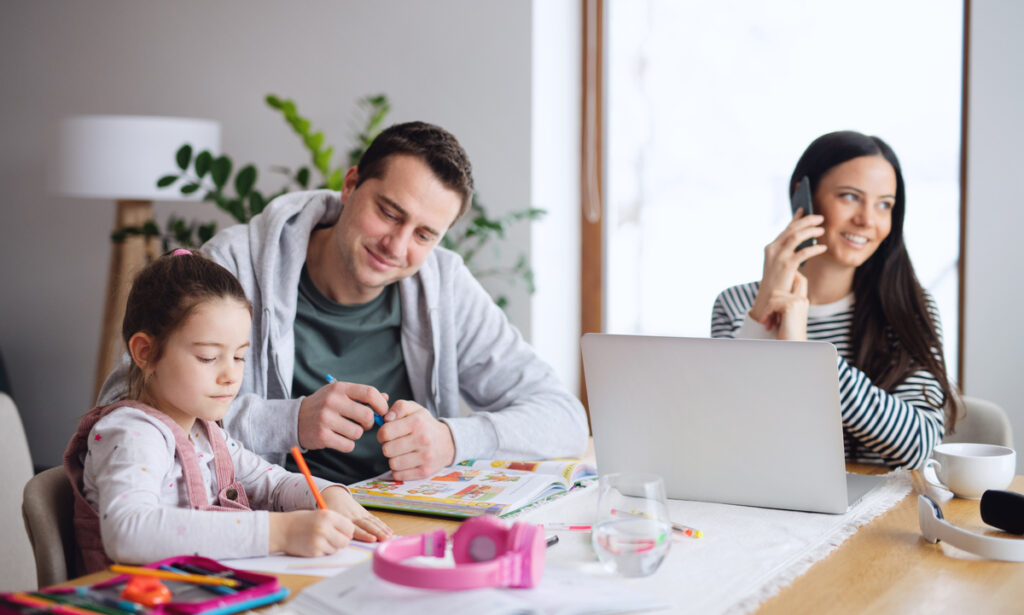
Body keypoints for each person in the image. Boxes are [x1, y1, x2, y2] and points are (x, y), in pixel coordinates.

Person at [99, 121, 589, 484]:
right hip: (271, 521)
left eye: (423, 234)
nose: (396, 246)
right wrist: (289, 421)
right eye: (388, 212)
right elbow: (124, 400)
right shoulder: (234, 265)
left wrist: (451, 440)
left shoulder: (445, 285)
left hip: (398, 516)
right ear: (351, 184)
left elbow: (565, 420)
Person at [66, 250, 392, 572]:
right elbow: (128, 532)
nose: (231, 375)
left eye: (238, 357)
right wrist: (280, 532)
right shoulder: (131, 434)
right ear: (145, 352)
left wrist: (328, 494)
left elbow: (273, 484)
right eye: (208, 357)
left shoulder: (206, 433)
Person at [710, 130, 960, 469]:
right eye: (850, 197)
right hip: (767, 511)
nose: (867, 220)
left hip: (877, 512)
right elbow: (724, 434)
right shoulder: (737, 305)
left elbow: (919, 445)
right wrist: (763, 313)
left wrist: (807, 357)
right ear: (804, 197)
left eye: (884, 204)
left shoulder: (907, 307)